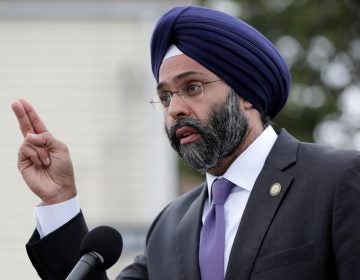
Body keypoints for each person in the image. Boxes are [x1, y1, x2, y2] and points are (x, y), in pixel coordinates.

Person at [11, 5, 360, 280]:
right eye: (164, 98)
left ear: (247, 94)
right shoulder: (170, 225)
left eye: (192, 87)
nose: (175, 109)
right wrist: (59, 200)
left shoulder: (337, 181)